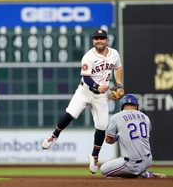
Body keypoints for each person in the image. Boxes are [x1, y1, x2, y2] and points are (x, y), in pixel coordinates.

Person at [42, 29, 123, 174]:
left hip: (101, 97)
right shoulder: (88, 57)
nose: (99, 41)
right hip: (85, 91)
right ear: (93, 41)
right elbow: (86, 78)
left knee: (102, 126)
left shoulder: (114, 54)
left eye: (102, 38)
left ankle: (94, 157)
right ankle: (54, 135)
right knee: (70, 114)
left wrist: (119, 84)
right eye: (96, 38)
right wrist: (98, 86)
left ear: (107, 40)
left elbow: (118, 68)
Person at [100, 94, 166, 178]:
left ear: (122, 105)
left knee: (103, 170)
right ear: (136, 106)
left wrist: (117, 137)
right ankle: (143, 172)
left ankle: (138, 174)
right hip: (148, 160)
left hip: (130, 163)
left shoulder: (116, 117)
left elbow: (108, 140)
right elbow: (141, 135)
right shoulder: (145, 117)